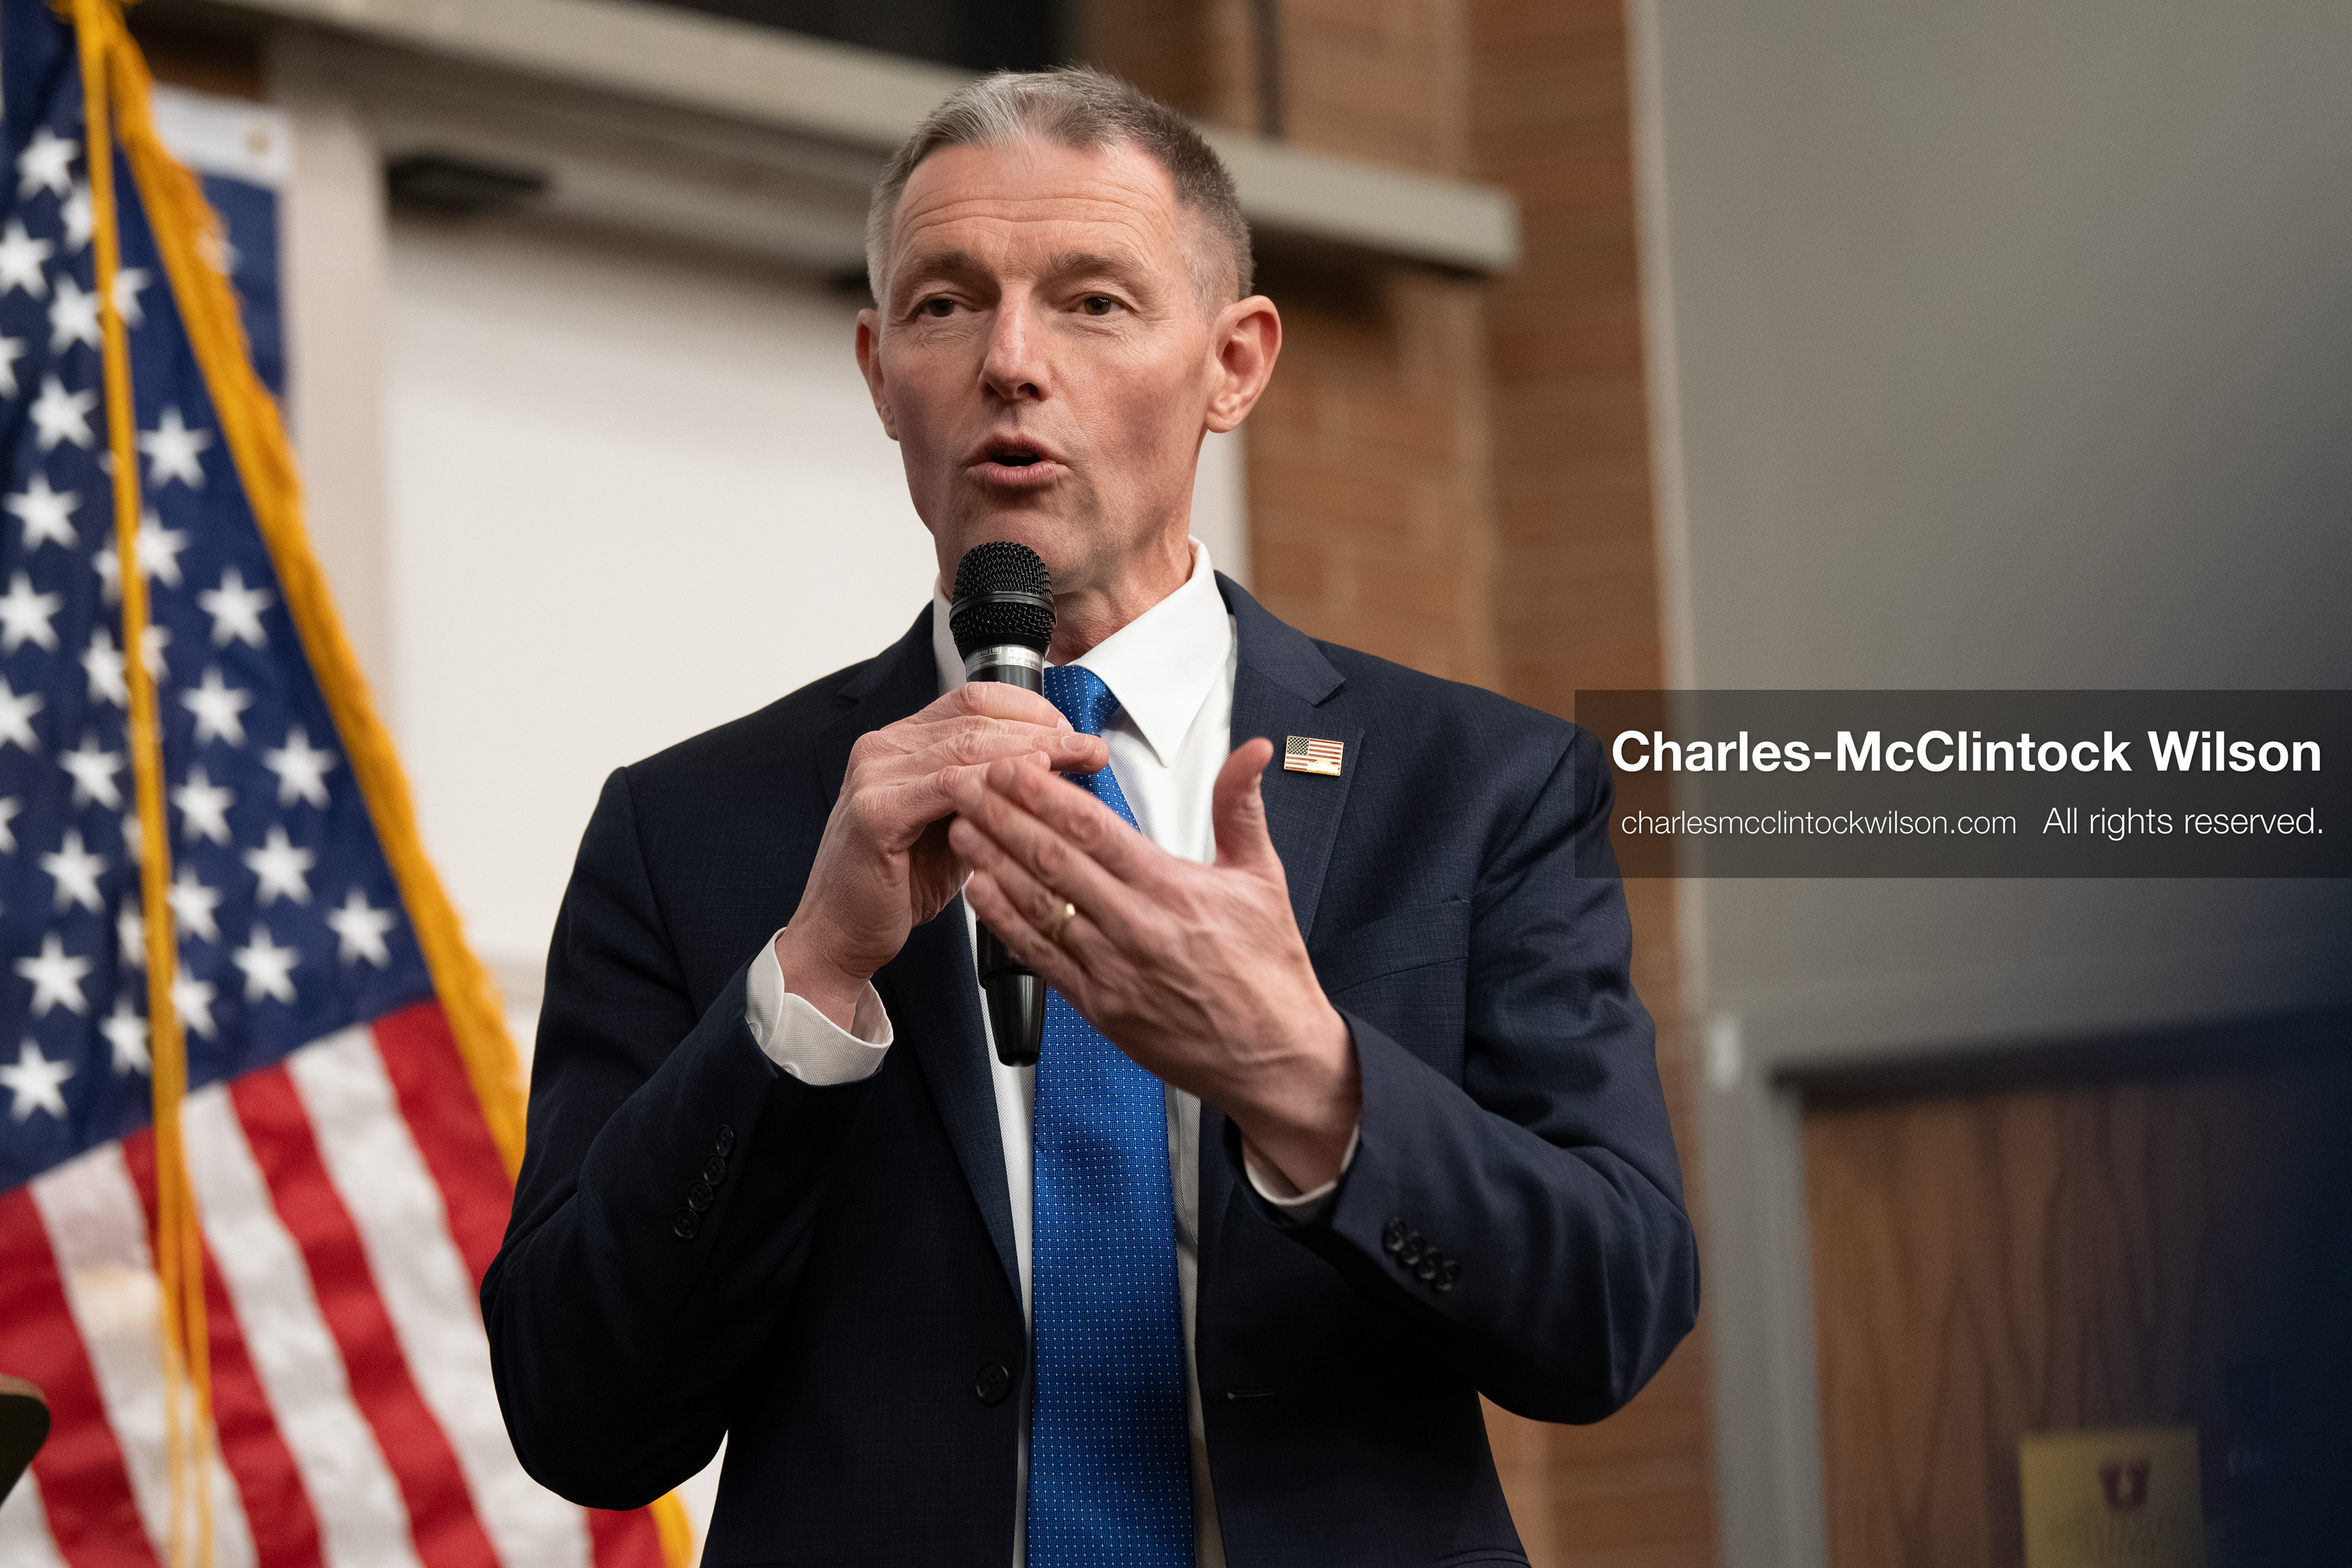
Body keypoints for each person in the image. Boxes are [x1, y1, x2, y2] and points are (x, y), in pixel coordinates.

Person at [483, 67, 1698, 1568]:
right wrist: (805, 990)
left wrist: (1307, 1076)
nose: (1008, 361)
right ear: (878, 370)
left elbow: (1614, 1312)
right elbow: (579, 1413)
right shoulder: (696, 829)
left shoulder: (1476, 788)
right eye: (942, 304)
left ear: (1234, 362)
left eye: (1094, 302)